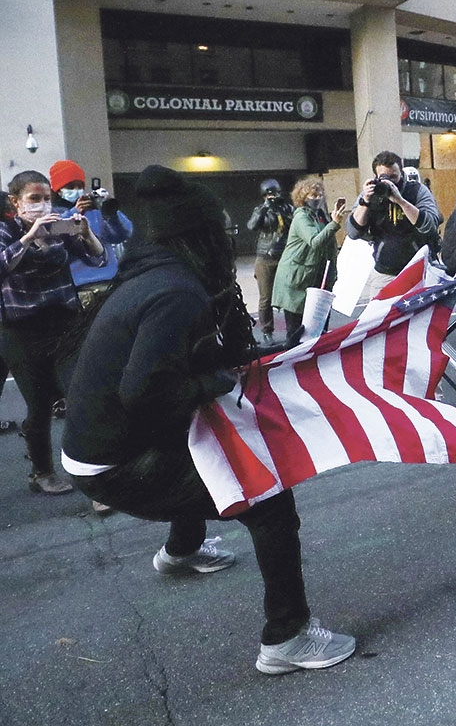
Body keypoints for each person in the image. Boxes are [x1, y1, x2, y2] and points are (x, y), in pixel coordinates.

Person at [62, 164, 355, 674]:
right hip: (113, 463)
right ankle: (287, 637)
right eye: (218, 229)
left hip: (102, 447)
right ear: (197, 235)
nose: (227, 237)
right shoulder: (177, 293)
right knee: (267, 499)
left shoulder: (154, 274)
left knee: (205, 445)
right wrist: (213, 383)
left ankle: (182, 549)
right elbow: (145, 393)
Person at [0, 171, 105, 495]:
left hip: (63, 322)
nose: (43, 205)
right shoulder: (6, 231)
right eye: (34, 199)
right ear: (16, 203)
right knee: (39, 403)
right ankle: (42, 471)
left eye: (46, 198)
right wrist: (30, 235)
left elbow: (97, 258)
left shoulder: (59, 226)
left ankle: (93, 480)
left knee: (78, 394)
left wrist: (85, 233)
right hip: (21, 327)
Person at [346, 151, 442, 306]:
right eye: (384, 177)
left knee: (416, 324)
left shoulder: (417, 191)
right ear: (376, 177)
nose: (390, 182)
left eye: (394, 177)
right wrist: (365, 201)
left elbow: (429, 226)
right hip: (385, 272)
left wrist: (401, 201)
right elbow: (353, 232)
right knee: (377, 323)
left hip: (418, 271)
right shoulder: (371, 193)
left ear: (402, 173)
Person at [49, 159, 133, 311]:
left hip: (110, 281)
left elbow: (122, 234)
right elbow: (57, 237)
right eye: (70, 186)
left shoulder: (94, 211)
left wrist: (109, 213)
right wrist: (75, 212)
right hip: (78, 287)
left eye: (80, 186)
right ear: (58, 190)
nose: (77, 190)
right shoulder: (52, 213)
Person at [272, 176, 347, 337]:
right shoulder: (301, 217)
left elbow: (329, 247)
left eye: (320, 194)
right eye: (313, 195)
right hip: (296, 281)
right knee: (297, 331)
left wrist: (332, 277)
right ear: (303, 197)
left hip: (316, 279)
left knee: (318, 329)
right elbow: (315, 241)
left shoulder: (320, 215)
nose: (318, 198)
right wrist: (334, 224)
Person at [245, 179, 293, 340]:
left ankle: (292, 328)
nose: (272, 197)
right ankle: (267, 331)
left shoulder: (287, 208)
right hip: (265, 257)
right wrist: (265, 208)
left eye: (275, 194)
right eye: (268, 195)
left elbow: (294, 225)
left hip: (284, 256)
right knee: (266, 297)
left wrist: (282, 212)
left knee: (288, 294)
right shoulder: (260, 209)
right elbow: (251, 226)